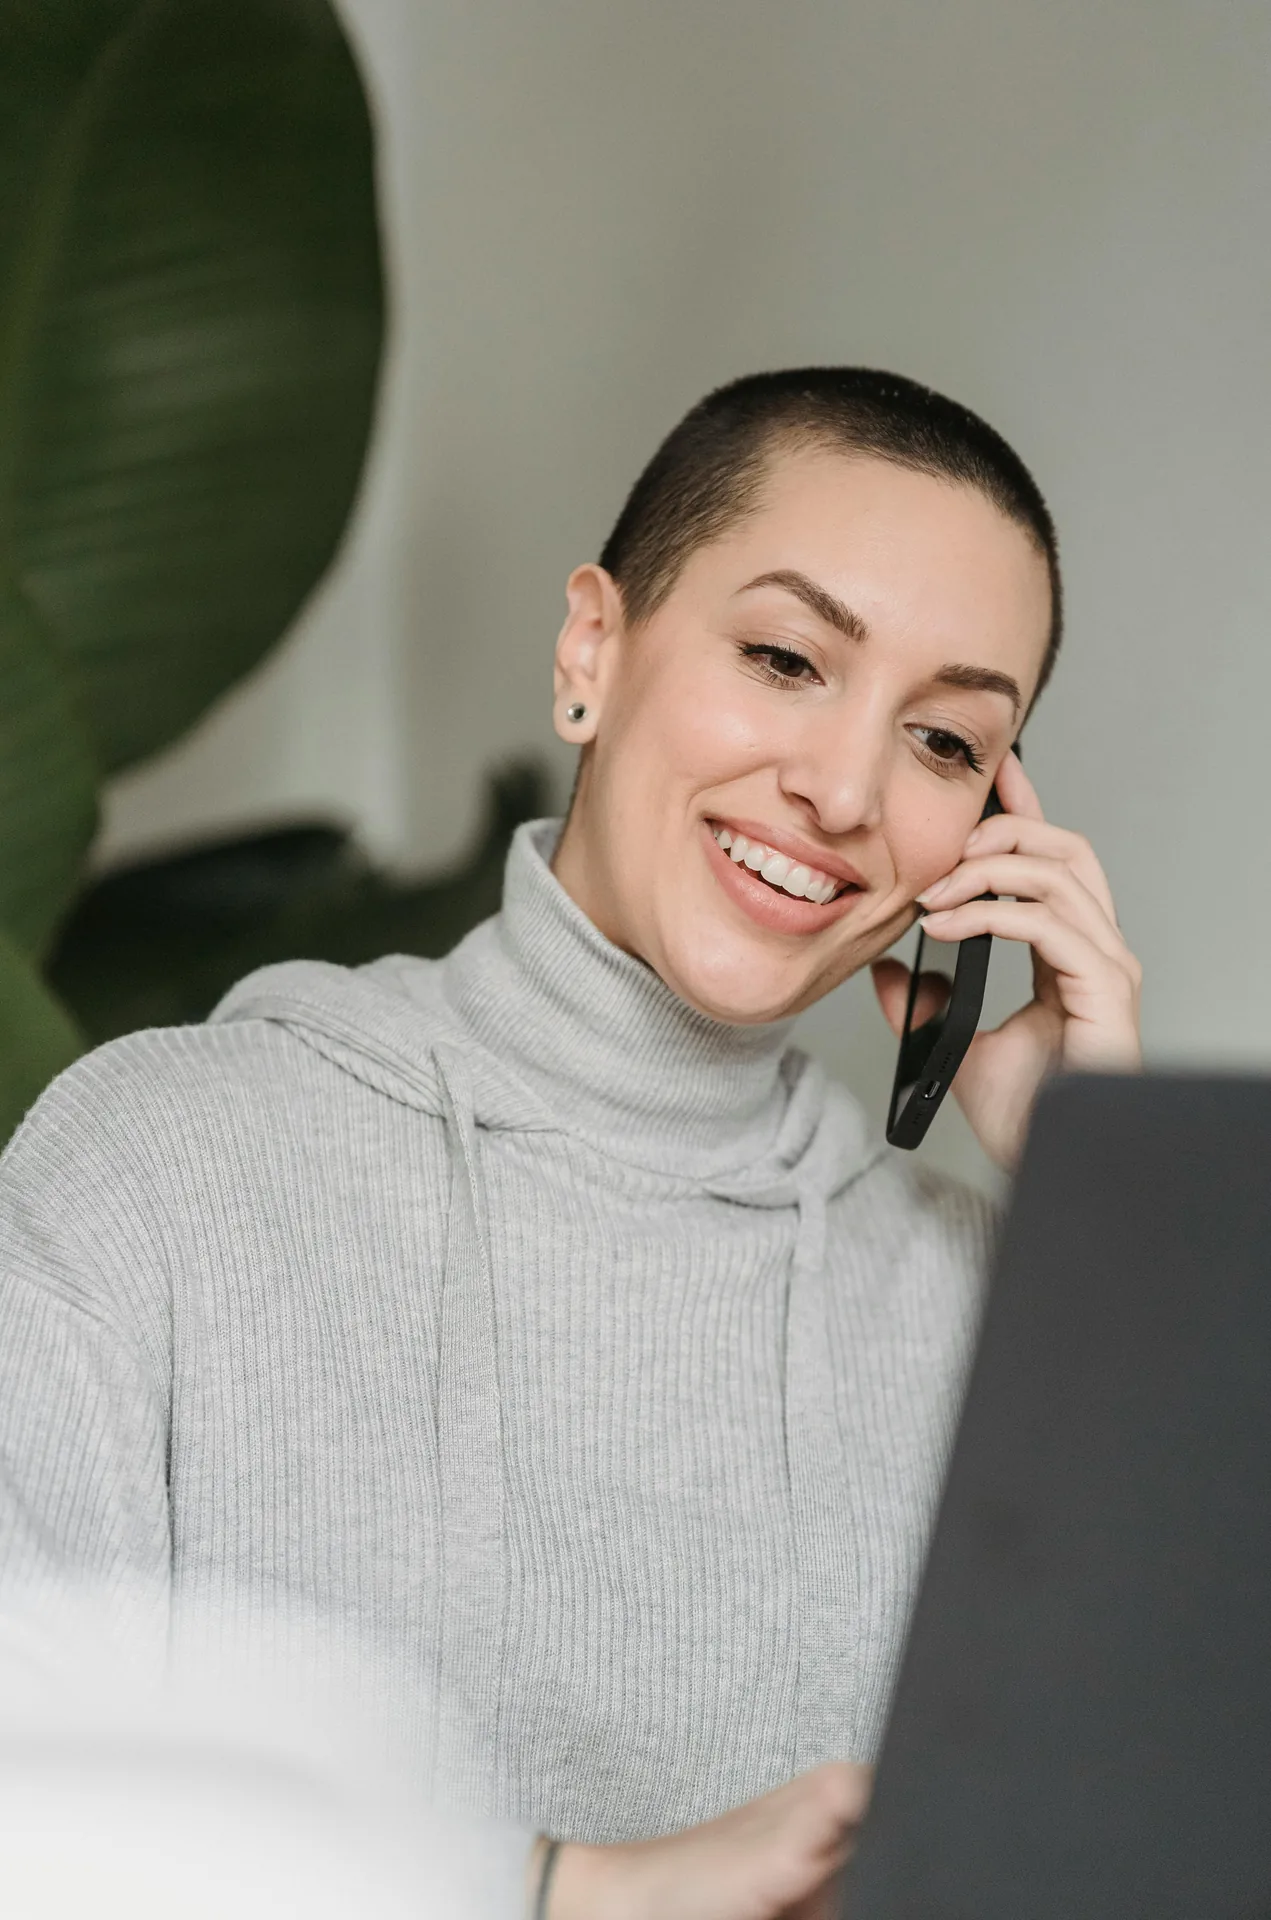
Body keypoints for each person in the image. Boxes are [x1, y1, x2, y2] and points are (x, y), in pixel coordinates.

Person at [0, 368, 1141, 1917]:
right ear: (591, 651)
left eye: (944, 742)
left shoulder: (1019, 1302)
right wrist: (566, 1891)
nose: (842, 790)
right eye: (785, 657)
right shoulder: (161, 1165)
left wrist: (1111, 1191)